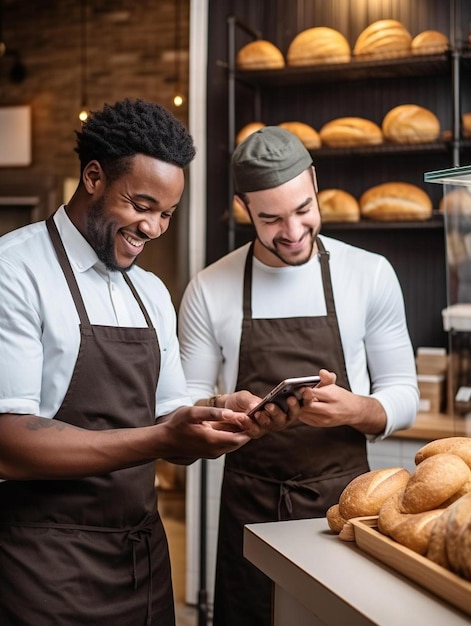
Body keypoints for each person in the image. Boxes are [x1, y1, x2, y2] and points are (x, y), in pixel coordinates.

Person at [0, 99, 287, 626]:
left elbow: (167, 413)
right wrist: (162, 439)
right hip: (44, 568)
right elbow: (10, 445)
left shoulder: (151, 292)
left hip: (142, 564)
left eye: (166, 214)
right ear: (93, 177)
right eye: (141, 205)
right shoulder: (15, 272)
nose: (154, 228)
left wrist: (220, 412)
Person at [178, 126, 420, 626]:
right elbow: (186, 404)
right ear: (244, 207)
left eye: (303, 210)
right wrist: (224, 413)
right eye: (270, 218)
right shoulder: (208, 288)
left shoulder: (369, 273)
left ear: (313, 181)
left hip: (347, 507)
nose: (291, 230)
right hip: (248, 507)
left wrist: (360, 408)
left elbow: (404, 392)